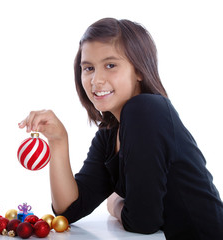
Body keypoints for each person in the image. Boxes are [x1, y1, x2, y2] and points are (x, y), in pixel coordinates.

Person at [18, 18, 223, 239]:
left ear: (139, 71)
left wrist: (116, 203)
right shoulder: (110, 133)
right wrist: (59, 141)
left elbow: (143, 222)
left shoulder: (145, 110)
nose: (96, 80)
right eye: (88, 68)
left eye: (110, 65)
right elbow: (69, 210)